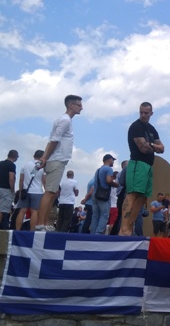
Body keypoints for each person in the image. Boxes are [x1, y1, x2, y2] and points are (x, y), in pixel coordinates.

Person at [36, 95, 83, 231]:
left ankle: (44, 223)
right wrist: (45, 158)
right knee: (50, 192)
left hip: (57, 160)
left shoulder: (63, 119)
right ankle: (41, 224)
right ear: (71, 105)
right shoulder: (65, 120)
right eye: (79, 105)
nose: (81, 108)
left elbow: (52, 139)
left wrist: (45, 157)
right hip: (57, 159)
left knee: (52, 192)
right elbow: (54, 140)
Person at [120, 102, 164, 236]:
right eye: (141, 112)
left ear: (151, 113)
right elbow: (143, 148)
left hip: (148, 166)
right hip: (137, 164)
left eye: (146, 113)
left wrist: (151, 145)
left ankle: (129, 227)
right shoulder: (136, 126)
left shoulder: (152, 129)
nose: (143, 115)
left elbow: (162, 148)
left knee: (143, 197)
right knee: (132, 194)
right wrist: (153, 146)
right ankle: (123, 229)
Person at [15, 149, 45, 231]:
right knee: (34, 212)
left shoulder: (25, 165)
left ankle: (17, 230)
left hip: (26, 191)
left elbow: (21, 179)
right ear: (42, 157)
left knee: (22, 211)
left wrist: (21, 191)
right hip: (37, 192)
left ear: (34, 156)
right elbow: (44, 181)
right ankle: (32, 231)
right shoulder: (42, 167)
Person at [91, 154, 118, 235]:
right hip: (103, 194)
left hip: (95, 193)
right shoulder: (109, 169)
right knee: (104, 215)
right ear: (109, 159)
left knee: (95, 216)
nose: (113, 162)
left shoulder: (98, 170)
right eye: (112, 160)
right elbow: (108, 181)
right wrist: (116, 185)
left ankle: (92, 234)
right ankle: (98, 233)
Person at [0, 150, 19, 230]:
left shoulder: (1, 163)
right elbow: (11, 178)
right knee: (2, 210)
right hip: (6, 189)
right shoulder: (11, 165)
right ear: (15, 157)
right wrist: (12, 190)